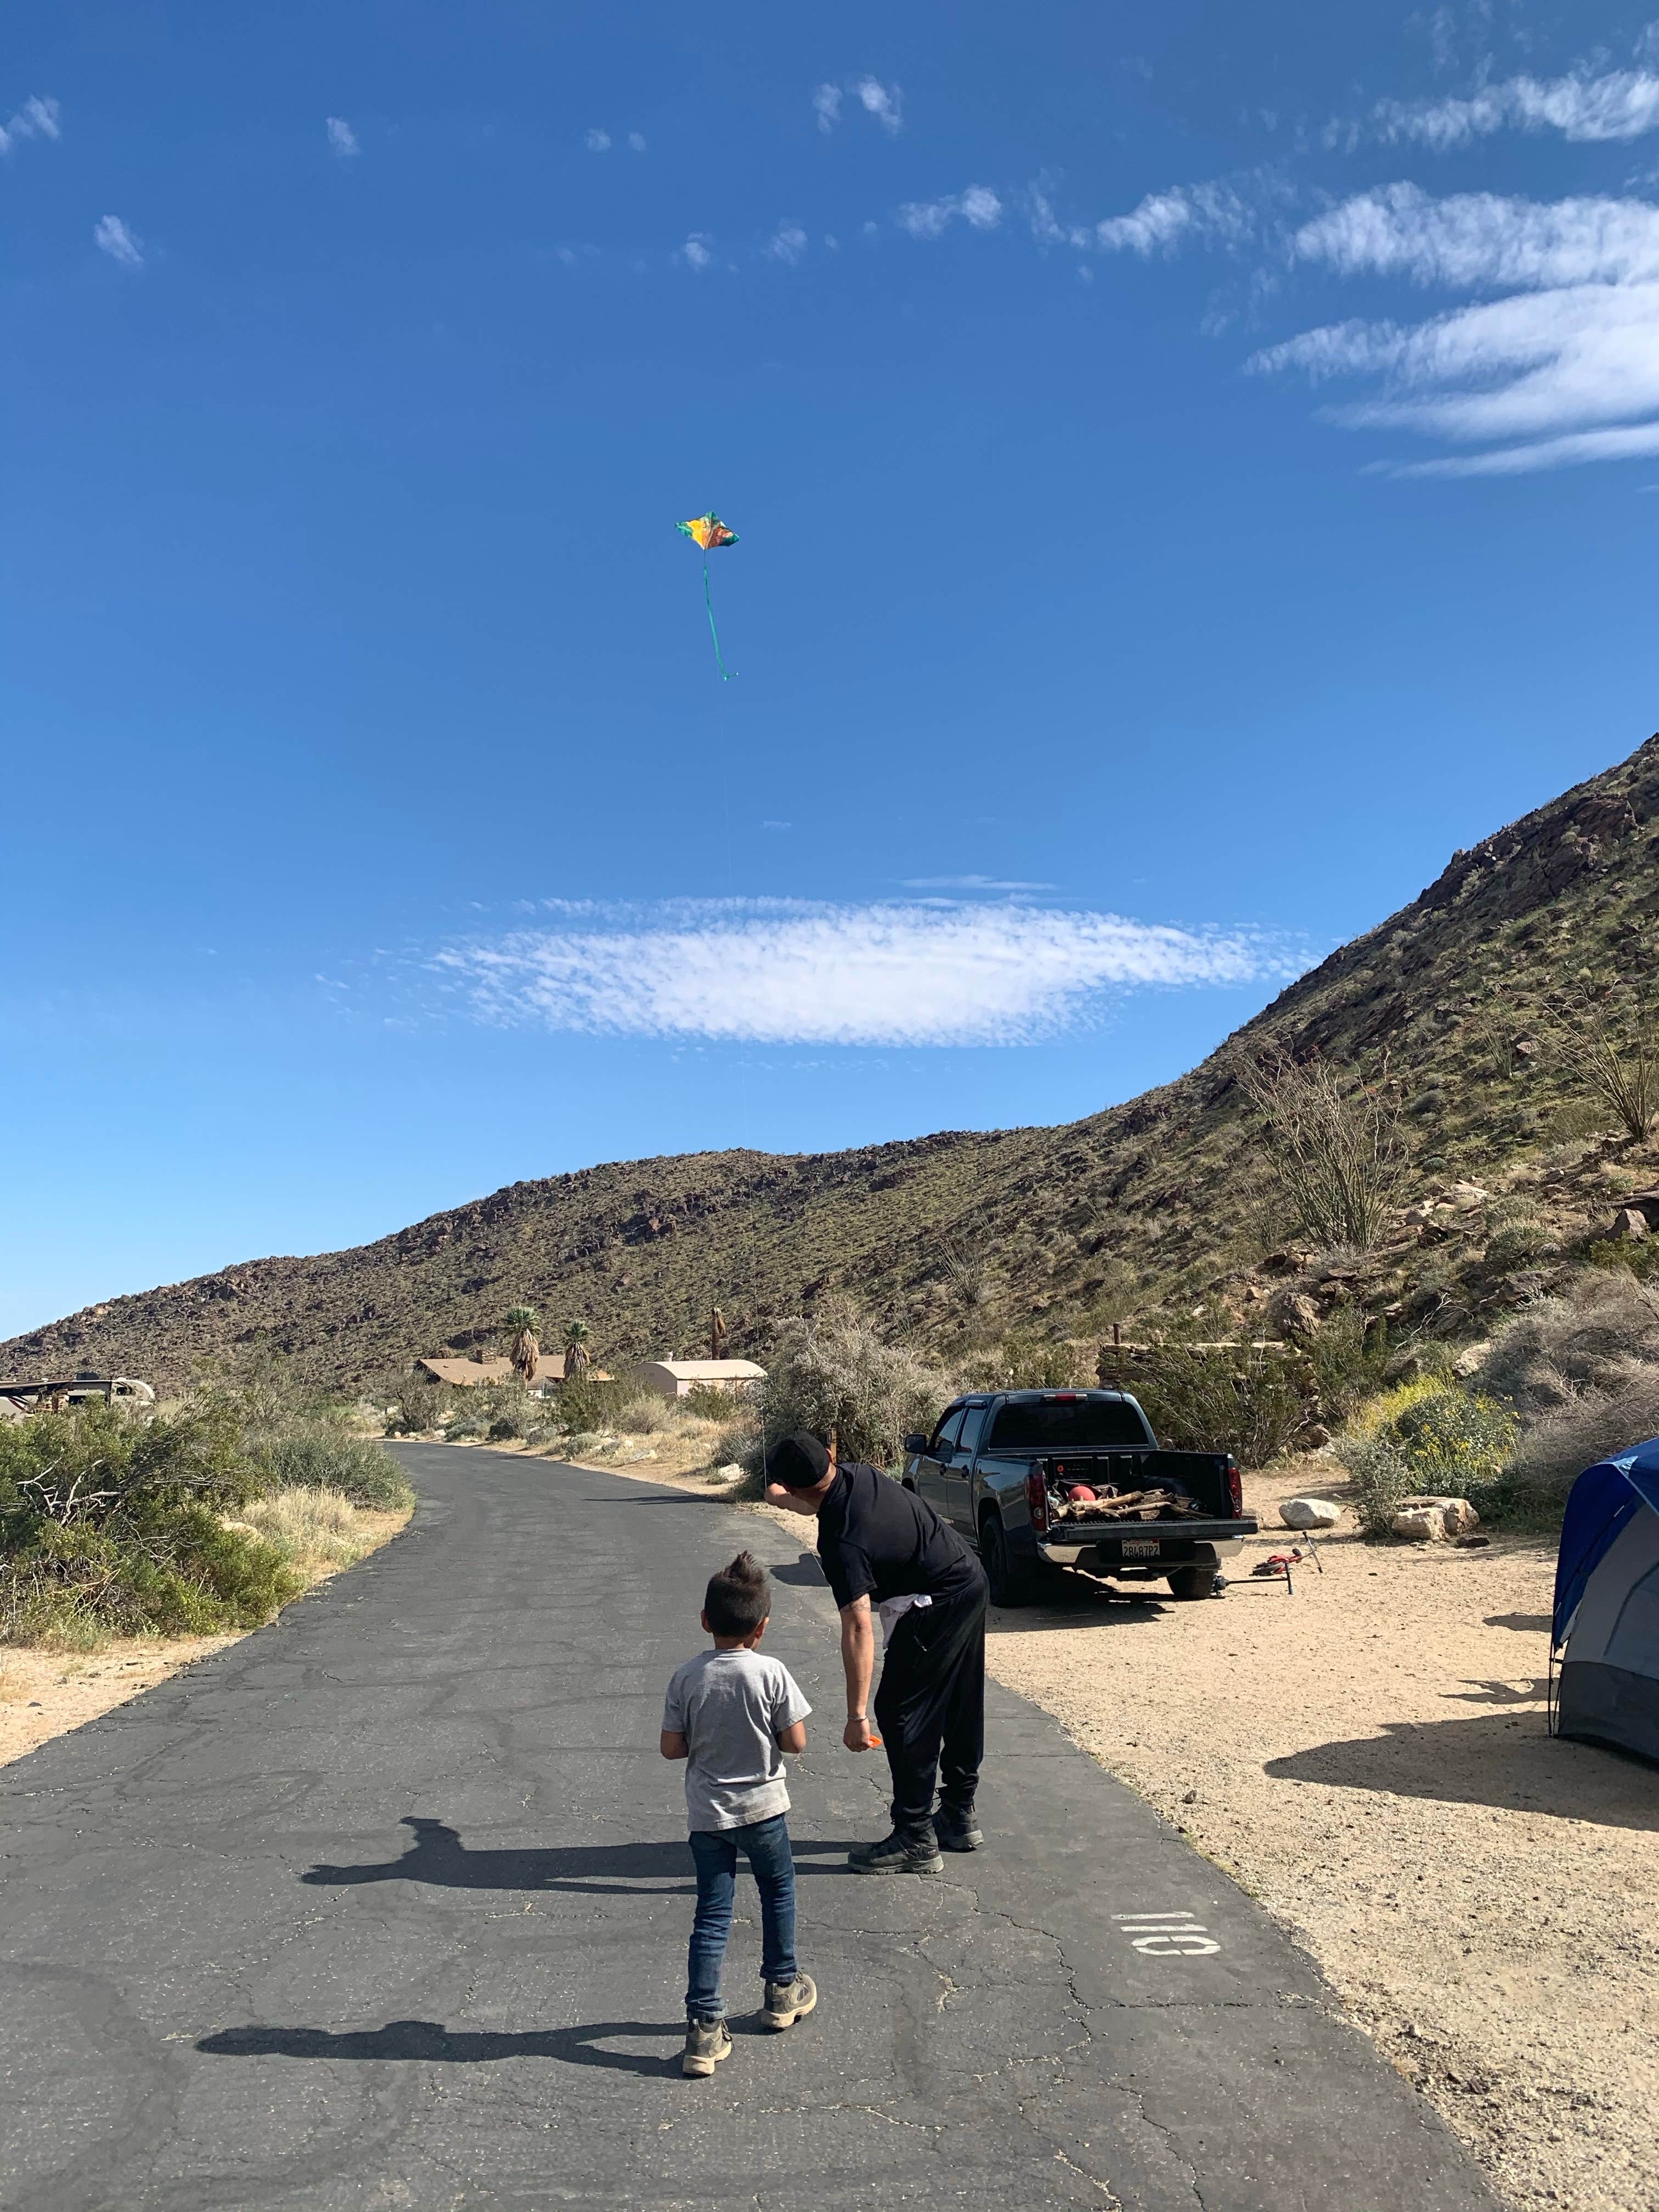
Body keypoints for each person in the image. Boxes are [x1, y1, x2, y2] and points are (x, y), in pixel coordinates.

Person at [765, 1430, 989, 1875]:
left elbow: (858, 1626)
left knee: (901, 1711)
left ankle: (915, 1837)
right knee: (961, 1699)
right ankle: (959, 1813)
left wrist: (856, 1716)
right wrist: (782, 1501)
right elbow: (814, 1500)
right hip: (968, 1579)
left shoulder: (842, 1542)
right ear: (832, 1455)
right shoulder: (860, 1475)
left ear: (792, 1484)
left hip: (932, 1606)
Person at [660, 1550, 818, 2078]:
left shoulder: (687, 1678)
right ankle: (781, 1988)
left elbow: (671, 1749)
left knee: (712, 1914)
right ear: (763, 1627)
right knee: (777, 1893)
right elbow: (795, 1742)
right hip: (764, 1810)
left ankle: (703, 2027)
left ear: (705, 1621)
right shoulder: (771, 1673)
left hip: (708, 1816)